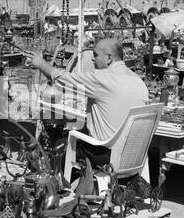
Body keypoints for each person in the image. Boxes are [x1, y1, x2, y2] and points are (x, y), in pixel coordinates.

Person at [25, 39, 149, 180]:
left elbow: (63, 79)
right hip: (134, 155)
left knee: (61, 143)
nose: (92, 58)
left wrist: (40, 64)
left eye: (95, 55)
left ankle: (60, 187)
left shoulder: (102, 78)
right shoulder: (138, 81)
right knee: (79, 131)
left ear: (109, 58)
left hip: (106, 156)